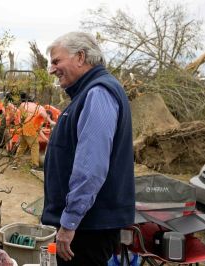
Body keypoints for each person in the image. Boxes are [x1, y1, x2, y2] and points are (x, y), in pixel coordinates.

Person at [41, 32, 135, 265]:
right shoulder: (88, 93)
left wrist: (69, 223)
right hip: (86, 226)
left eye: (56, 61)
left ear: (80, 57)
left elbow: (90, 169)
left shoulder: (97, 93)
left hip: (86, 230)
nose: (52, 69)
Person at [14, 92, 55, 170]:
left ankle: (15, 163)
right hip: (30, 130)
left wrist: (46, 140)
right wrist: (50, 121)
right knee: (35, 147)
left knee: (22, 146)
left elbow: (39, 129)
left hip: (24, 127)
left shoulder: (29, 109)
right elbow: (40, 127)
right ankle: (35, 165)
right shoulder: (41, 110)